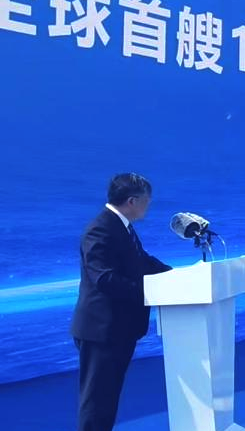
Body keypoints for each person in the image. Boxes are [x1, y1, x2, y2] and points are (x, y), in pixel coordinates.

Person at [72, 173, 172, 431]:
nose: (149, 205)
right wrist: (149, 292)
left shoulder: (121, 226)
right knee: (97, 401)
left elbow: (142, 260)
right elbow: (103, 278)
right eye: (147, 200)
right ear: (132, 201)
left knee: (108, 398)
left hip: (119, 329)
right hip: (101, 330)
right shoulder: (100, 229)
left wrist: (176, 276)